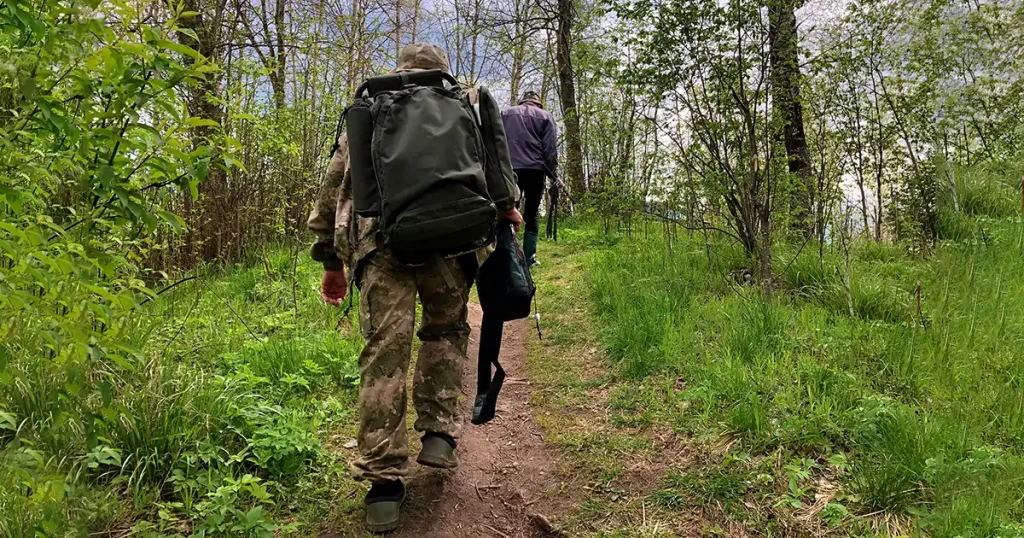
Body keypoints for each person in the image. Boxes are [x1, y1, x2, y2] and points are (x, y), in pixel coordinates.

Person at [307, 43, 522, 533]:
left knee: (384, 353)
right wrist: (507, 214)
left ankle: (383, 484)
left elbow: (334, 187)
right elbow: (500, 179)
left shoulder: (369, 110)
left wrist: (331, 259)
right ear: (441, 73)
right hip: (452, 242)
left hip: (383, 246)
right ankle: (439, 434)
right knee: (445, 331)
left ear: (401, 71)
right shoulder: (464, 102)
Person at [501, 90, 559, 266]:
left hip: (510, 170)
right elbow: (549, 149)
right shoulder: (546, 116)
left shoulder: (505, 114)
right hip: (535, 170)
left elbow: (496, 141)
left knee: (509, 210)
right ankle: (529, 258)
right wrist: (552, 173)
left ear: (522, 101)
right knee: (532, 212)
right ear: (538, 103)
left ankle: (508, 255)